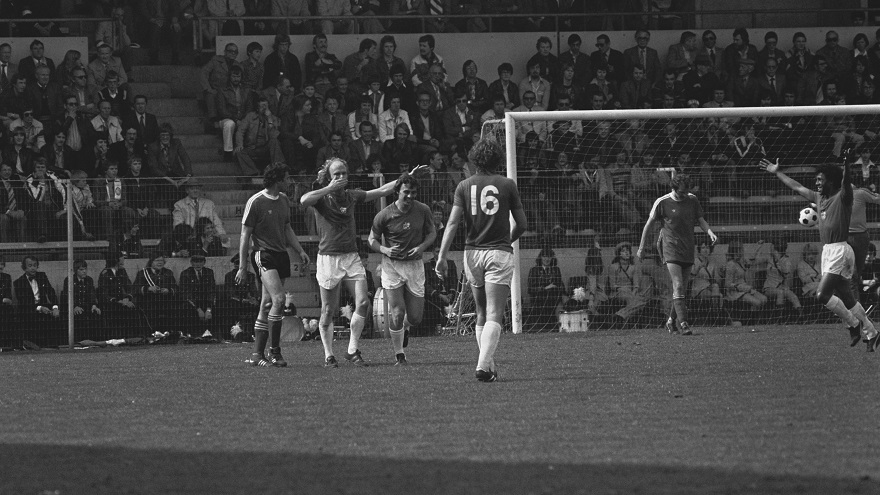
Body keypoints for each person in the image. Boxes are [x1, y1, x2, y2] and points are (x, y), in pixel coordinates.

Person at [301, 157, 426, 368]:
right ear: (329, 177)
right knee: (328, 310)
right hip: (329, 258)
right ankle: (329, 355)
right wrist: (329, 188)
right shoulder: (321, 198)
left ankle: (352, 350)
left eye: (344, 173)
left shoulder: (352, 195)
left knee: (363, 303)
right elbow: (304, 200)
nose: (341, 177)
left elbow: (381, 191)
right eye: (336, 174)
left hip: (351, 256)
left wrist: (406, 178)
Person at [760, 156, 879, 351]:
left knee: (822, 295)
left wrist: (846, 166)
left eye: (820, 180)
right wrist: (778, 172)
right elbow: (797, 187)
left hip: (840, 250)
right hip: (828, 252)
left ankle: (853, 324)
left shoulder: (843, 197)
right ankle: (872, 332)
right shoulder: (818, 198)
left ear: (831, 181)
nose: (816, 183)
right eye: (816, 179)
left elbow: (846, 184)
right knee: (847, 296)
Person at [434, 138, 527, 382]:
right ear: (498, 160)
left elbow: (452, 223)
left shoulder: (464, 186)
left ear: (474, 160)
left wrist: (442, 256)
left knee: (481, 311)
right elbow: (522, 224)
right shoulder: (507, 184)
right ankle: (483, 365)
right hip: (498, 252)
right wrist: (507, 239)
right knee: (496, 312)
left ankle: (489, 366)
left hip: (472, 253)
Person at [236, 163, 311, 367]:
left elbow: (287, 228)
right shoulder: (256, 201)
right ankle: (275, 352)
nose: (289, 182)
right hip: (264, 254)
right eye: (286, 178)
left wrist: (300, 250)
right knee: (279, 299)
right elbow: (245, 235)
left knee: (267, 304)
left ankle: (257, 355)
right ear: (277, 180)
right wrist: (242, 266)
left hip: (281, 254)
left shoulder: (284, 200)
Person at [368, 173, 436, 365]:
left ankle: (406, 327)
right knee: (397, 312)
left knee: (415, 318)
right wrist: (385, 250)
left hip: (414, 265)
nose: (410, 196)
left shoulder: (423, 210)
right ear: (397, 191)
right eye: (406, 192)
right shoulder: (384, 215)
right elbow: (371, 239)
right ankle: (399, 354)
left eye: (413, 192)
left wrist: (422, 247)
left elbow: (432, 233)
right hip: (392, 266)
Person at [638, 173, 717, 334]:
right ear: (673, 188)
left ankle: (670, 321)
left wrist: (709, 232)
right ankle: (684, 323)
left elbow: (700, 219)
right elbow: (648, 225)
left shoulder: (692, 199)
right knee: (678, 285)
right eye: (682, 192)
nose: (685, 195)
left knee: (681, 290)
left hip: (687, 248)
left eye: (687, 191)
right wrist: (641, 247)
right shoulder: (662, 202)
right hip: (670, 248)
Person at [61, 259, 103, 341]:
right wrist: (74, 306)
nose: (84, 271)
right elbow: (66, 296)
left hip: (87, 307)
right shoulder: (69, 280)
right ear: (76, 270)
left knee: (96, 314)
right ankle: (79, 341)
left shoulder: (89, 280)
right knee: (79, 316)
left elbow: (92, 293)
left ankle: (95, 341)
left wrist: (94, 305)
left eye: (85, 269)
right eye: (81, 269)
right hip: (74, 307)